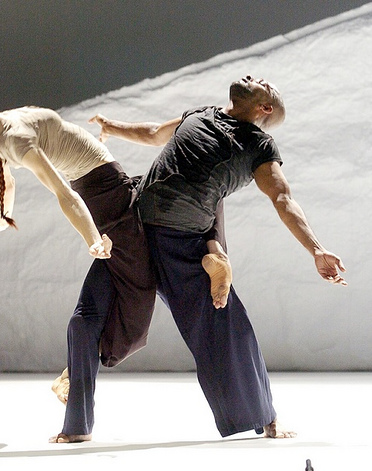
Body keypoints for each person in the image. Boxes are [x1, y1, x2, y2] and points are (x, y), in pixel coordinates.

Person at [0, 105, 232, 443]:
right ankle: (83, 371)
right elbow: (64, 194)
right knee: (136, 308)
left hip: (107, 193)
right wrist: (93, 239)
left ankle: (76, 417)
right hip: (108, 200)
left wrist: (4, 216)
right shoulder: (13, 140)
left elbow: (4, 179)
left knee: (84, 322)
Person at [88, 75, 347, 440]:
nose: (252, 78)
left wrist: (316, 248)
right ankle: (75, 391)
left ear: (264, 107)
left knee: (227, 326)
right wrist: (111, 127)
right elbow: (154, 133)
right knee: (98, 316)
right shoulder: (200, 114)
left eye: (263, 83)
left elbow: (282, 198)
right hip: (134, 228)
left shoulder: (257, 145)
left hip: (180, 243)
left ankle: (264, 416)